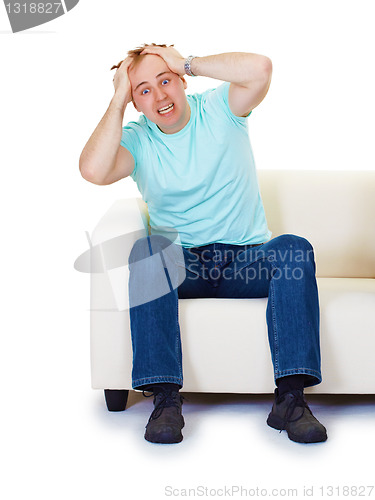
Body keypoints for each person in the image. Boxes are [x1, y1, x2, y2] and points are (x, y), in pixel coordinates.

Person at [79, 43, 327, 445]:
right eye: (143, 90)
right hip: (182, 264)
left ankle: (291, 400)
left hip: (245, 261)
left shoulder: (220, 108)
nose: (159, 96)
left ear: (180, 80)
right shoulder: (138, 140)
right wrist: (117, 99)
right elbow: (93, 169)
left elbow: (260, 69)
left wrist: (187, 62)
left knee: (294, 248)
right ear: (136, 103)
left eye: (165, 80)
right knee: (147, 252)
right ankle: (164, 401)